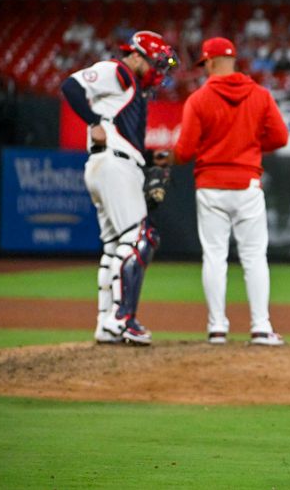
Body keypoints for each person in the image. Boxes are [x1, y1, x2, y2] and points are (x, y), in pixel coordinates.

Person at [60, 30, 178, 345]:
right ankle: (123, 319)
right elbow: (71, 86)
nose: (159, 71)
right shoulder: (118, 71)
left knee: (115, 247)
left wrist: (152, 157)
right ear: (137, 55)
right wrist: (92, 122)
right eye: (156, 63)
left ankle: (105, 323)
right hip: (114, 165)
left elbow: (123, 134)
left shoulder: (133, 87)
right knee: (140, 238)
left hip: (112, 162)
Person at [171, 37, 289, 346]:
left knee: (214, 257)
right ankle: (261, 327)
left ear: (209, 62)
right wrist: (247, 147)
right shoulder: (260, 95)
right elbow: (280, 137)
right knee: (254, 258)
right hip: (247, 183)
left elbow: (183, 152)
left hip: (210, 184)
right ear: (234, 60)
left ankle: (216, 328)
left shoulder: (198, 99)